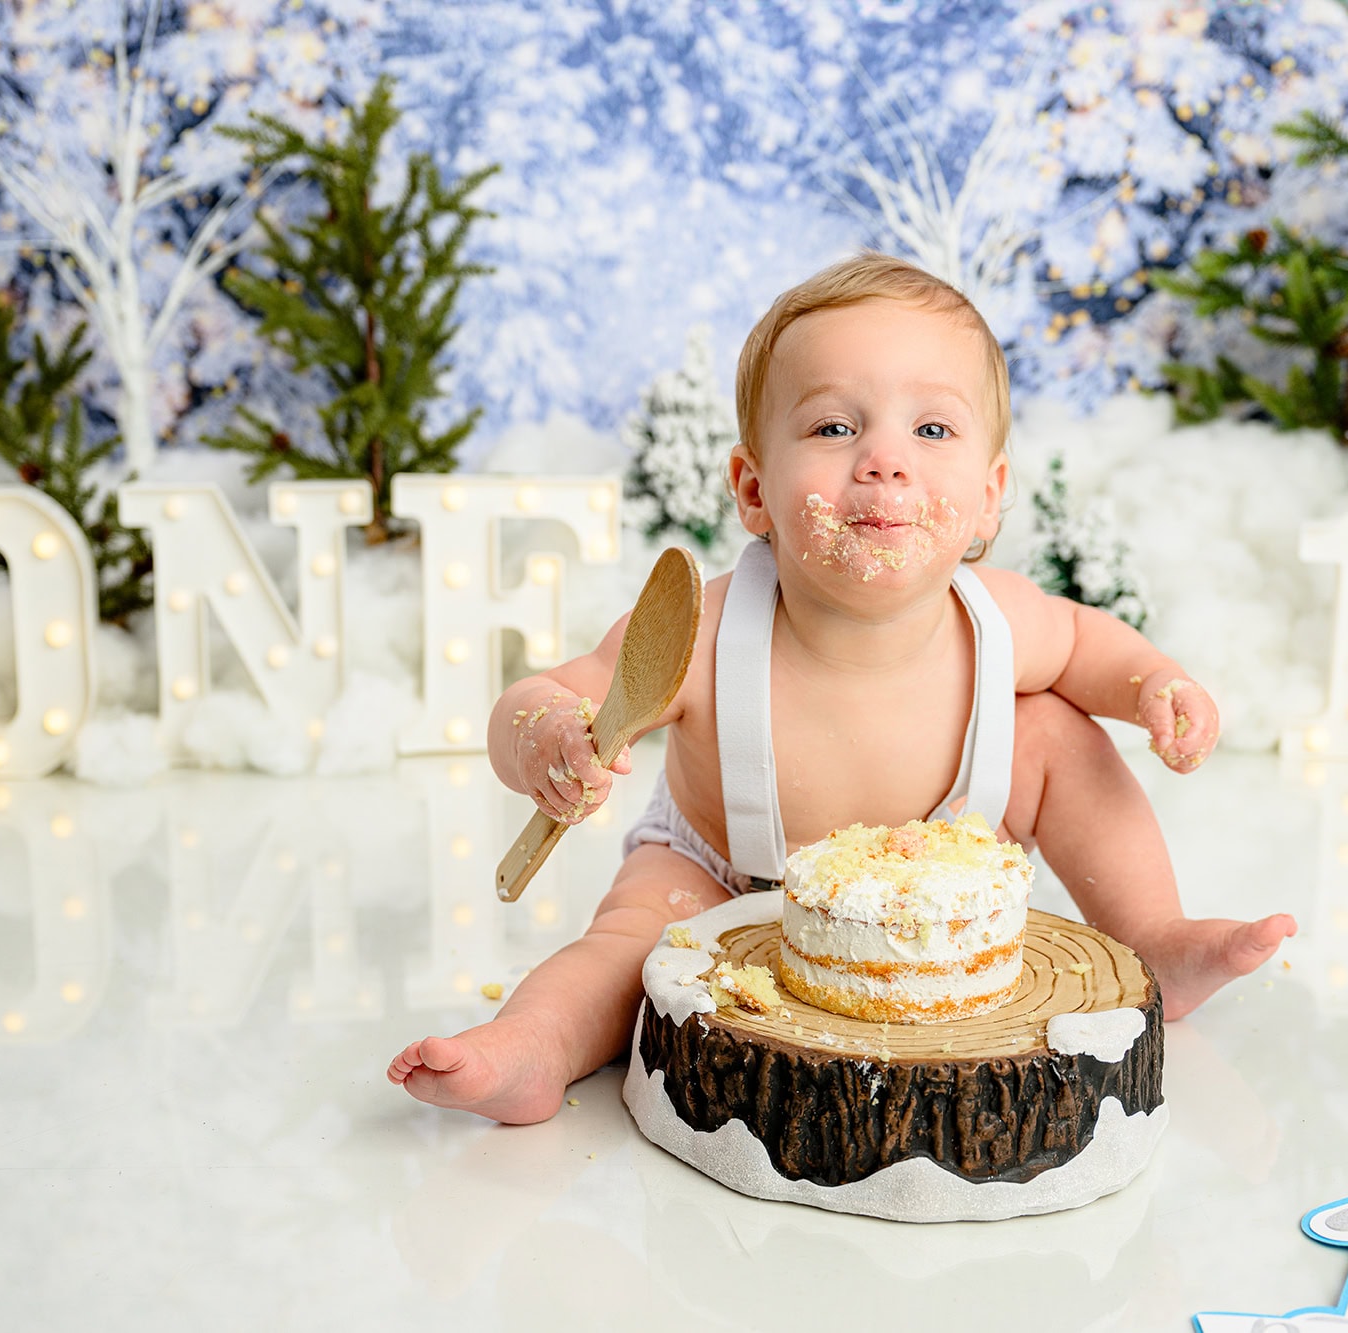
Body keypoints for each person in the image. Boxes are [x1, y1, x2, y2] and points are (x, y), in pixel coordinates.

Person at [390, 252, 1296, 1124]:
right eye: (834, 426)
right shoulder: (701, 631)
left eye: (931, 429)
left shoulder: (1002, 620)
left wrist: (1155, 683)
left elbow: (1091, 645)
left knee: (1056, 730)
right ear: (753, 488)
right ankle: (533, 1046)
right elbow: (555, 689)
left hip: (928, 882)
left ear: (989, 496)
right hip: (722, 871)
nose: (884, 459)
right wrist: (549, 730)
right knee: (630, 945)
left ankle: (1156, 936)